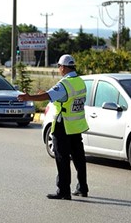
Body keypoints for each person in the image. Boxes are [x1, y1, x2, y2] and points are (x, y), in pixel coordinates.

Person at [17, 54, 90, 200]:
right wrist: (45, 94)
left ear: (63, 67)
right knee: (79, 158)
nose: (59, 69)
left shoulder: (65, 84)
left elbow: (49, 96)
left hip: (63, 125)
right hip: (76, 126)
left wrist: (29, 97)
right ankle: (82, 187)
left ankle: (64, 191)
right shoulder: (80, 81)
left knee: (62, 158)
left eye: (59, 67)